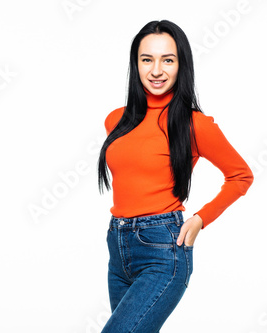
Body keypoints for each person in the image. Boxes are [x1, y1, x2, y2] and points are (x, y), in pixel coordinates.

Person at [96, 20, 254, 332]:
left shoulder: (195, 124)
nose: (156, 70)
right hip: (117, 246)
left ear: (181, 64)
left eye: (167, 60)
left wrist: (199, 219)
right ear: (136, 64)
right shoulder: (117, 120)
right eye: (147, 59)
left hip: (162, 250)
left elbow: (240, 175)